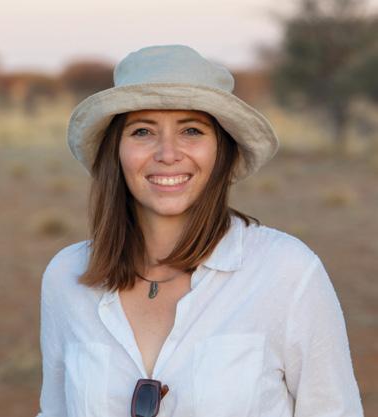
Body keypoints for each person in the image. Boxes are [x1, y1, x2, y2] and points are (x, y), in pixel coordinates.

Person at [36, 45, 364, 417]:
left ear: (222, 151)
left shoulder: (286, 272)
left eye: (191, 130)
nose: (167, 154)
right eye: (142, 131)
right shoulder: (67, 277)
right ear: (116, 151)